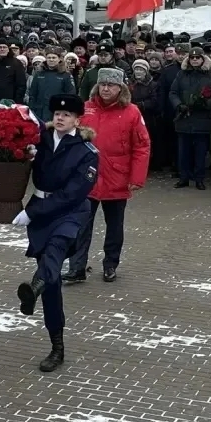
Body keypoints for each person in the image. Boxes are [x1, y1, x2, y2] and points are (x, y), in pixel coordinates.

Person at [13, 93, 99, 373]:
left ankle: (35, 289)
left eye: (67, 115)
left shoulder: (86, 151)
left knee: (55, 250)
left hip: (70, 213)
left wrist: (31, 213)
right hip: (40, 208)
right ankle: (56, 341)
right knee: (52, 283)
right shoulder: (41, 139)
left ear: (77, 119)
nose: (60, 118)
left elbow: (73, 194)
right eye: (57, 114)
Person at [66, 67, 149, 283]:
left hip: (117, 177)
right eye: (102, 84)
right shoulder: (85, 109)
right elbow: (72, 142)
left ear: (120, 88)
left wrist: (136, 178)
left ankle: (110, 264)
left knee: (114, 226)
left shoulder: (132, 112)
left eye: (110, 85)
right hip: (88, 178)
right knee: (81, 225)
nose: (105, 88)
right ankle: (77, 267)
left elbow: (141, 146)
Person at [169, 48, 211, 190]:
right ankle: (184, 177)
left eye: (198, 57)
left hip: (202, 117)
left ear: (203, 59)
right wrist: (179, 105)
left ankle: (199, 179)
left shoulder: (210, 75)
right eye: (192, 58)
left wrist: (206, 104)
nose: (195, 60)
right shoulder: (181, 74)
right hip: (184, 117)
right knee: (183, 151)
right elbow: (173, 92)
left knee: (200, 151)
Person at [0, 39, 27, 104]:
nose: (2, 49)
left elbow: (21, 84)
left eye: (4, 47)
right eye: (0, 47)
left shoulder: (16, 63)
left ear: (8, 49)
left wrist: (17, 101)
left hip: (10, 102)